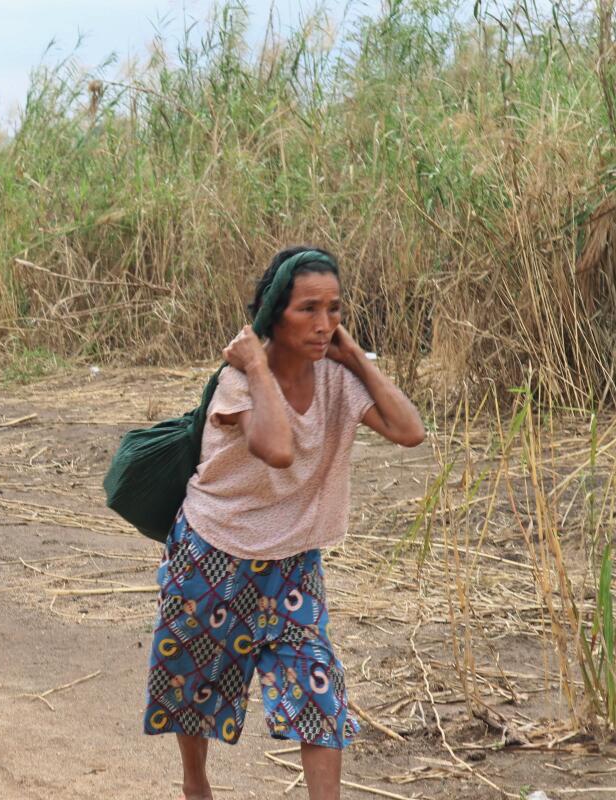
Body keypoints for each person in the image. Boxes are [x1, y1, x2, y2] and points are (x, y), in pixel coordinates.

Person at [143, 247, 425, 800]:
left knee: (318, 690)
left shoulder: (338, 380)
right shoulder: (238, 380)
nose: (324, 325)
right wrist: (253, 363)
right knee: (195, 686)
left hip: (292, 566)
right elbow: (276, 448)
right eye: (308, 310)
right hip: (212, 552)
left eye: (335, 310)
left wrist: (357, 360)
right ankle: (195, 784)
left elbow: (409, 429)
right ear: (275, 314)